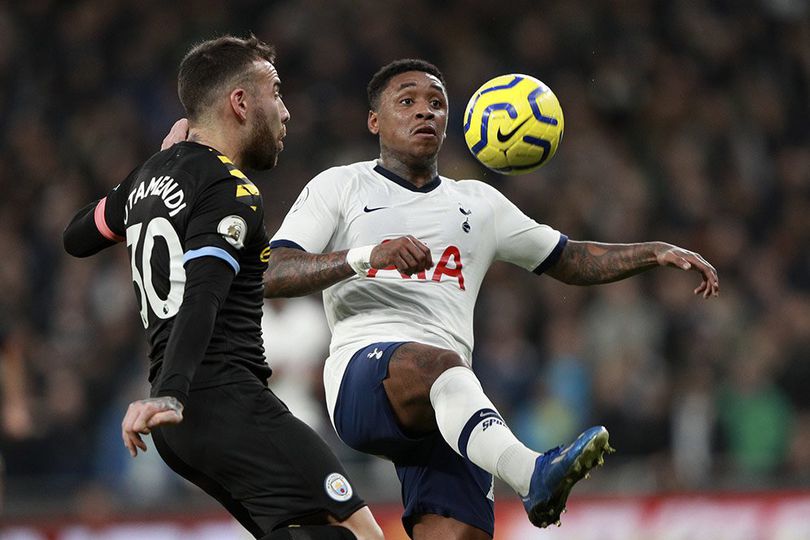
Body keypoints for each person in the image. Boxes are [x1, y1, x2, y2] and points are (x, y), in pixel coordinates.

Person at [261, 59, 720, 540]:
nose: (425, 112)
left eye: (436, 104)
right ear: (375, 121)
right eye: (408, 102)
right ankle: (532, 475)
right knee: (438, 364)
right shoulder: (343, 186)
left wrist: (652, 251)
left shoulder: (479, 203)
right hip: (362, 377)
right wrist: (364, 257)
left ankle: (526, 473)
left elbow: (569, 258)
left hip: (451, 402)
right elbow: (272, 271)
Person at [63, 35, 382, 540]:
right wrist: (171, 395)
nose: (286, 111)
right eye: (275, 92)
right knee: (363, 532)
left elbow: (77, 236)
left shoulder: (148, 177)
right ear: (240, 102)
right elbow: (203, 296)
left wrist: (150, 172)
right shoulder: (231, 190)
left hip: (186, 424)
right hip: (221, 401)